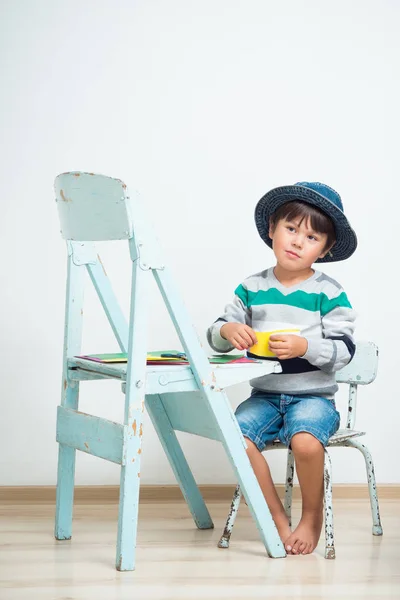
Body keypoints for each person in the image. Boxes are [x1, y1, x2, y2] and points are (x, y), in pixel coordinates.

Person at [207, 182, 357, 555]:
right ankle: (274, 515)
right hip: (264, 396)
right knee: (236, 439)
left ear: (325, 249)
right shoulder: (251, 287)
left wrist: (307, 346)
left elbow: (345, 350)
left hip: (313, 397)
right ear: (272, 228)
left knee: (305, 443)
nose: (297, 241)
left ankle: (310, 515)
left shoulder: (329, 292)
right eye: (291, 229)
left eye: (311, 236)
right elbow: (215, 332)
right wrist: (228, 330)